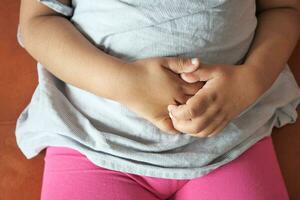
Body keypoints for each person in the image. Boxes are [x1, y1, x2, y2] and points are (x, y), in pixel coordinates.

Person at [16, 0, 300, 199]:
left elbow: (283, 9)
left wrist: (251, 80)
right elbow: (37, 22)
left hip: (234, 139)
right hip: (93, 141)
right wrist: (125, 83)